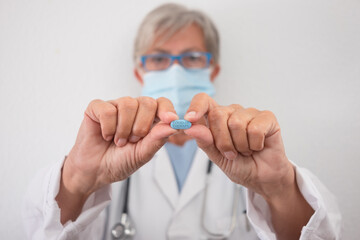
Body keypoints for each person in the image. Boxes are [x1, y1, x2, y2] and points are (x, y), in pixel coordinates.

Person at [23, 3, 341, 240]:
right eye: (159, 58)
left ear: (212, 71)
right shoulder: (107, 150)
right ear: (140, 72)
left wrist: (279, 190)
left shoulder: (250, 146)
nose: (175, 71)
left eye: (191, 58)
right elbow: (41, 231)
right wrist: (79, 179)